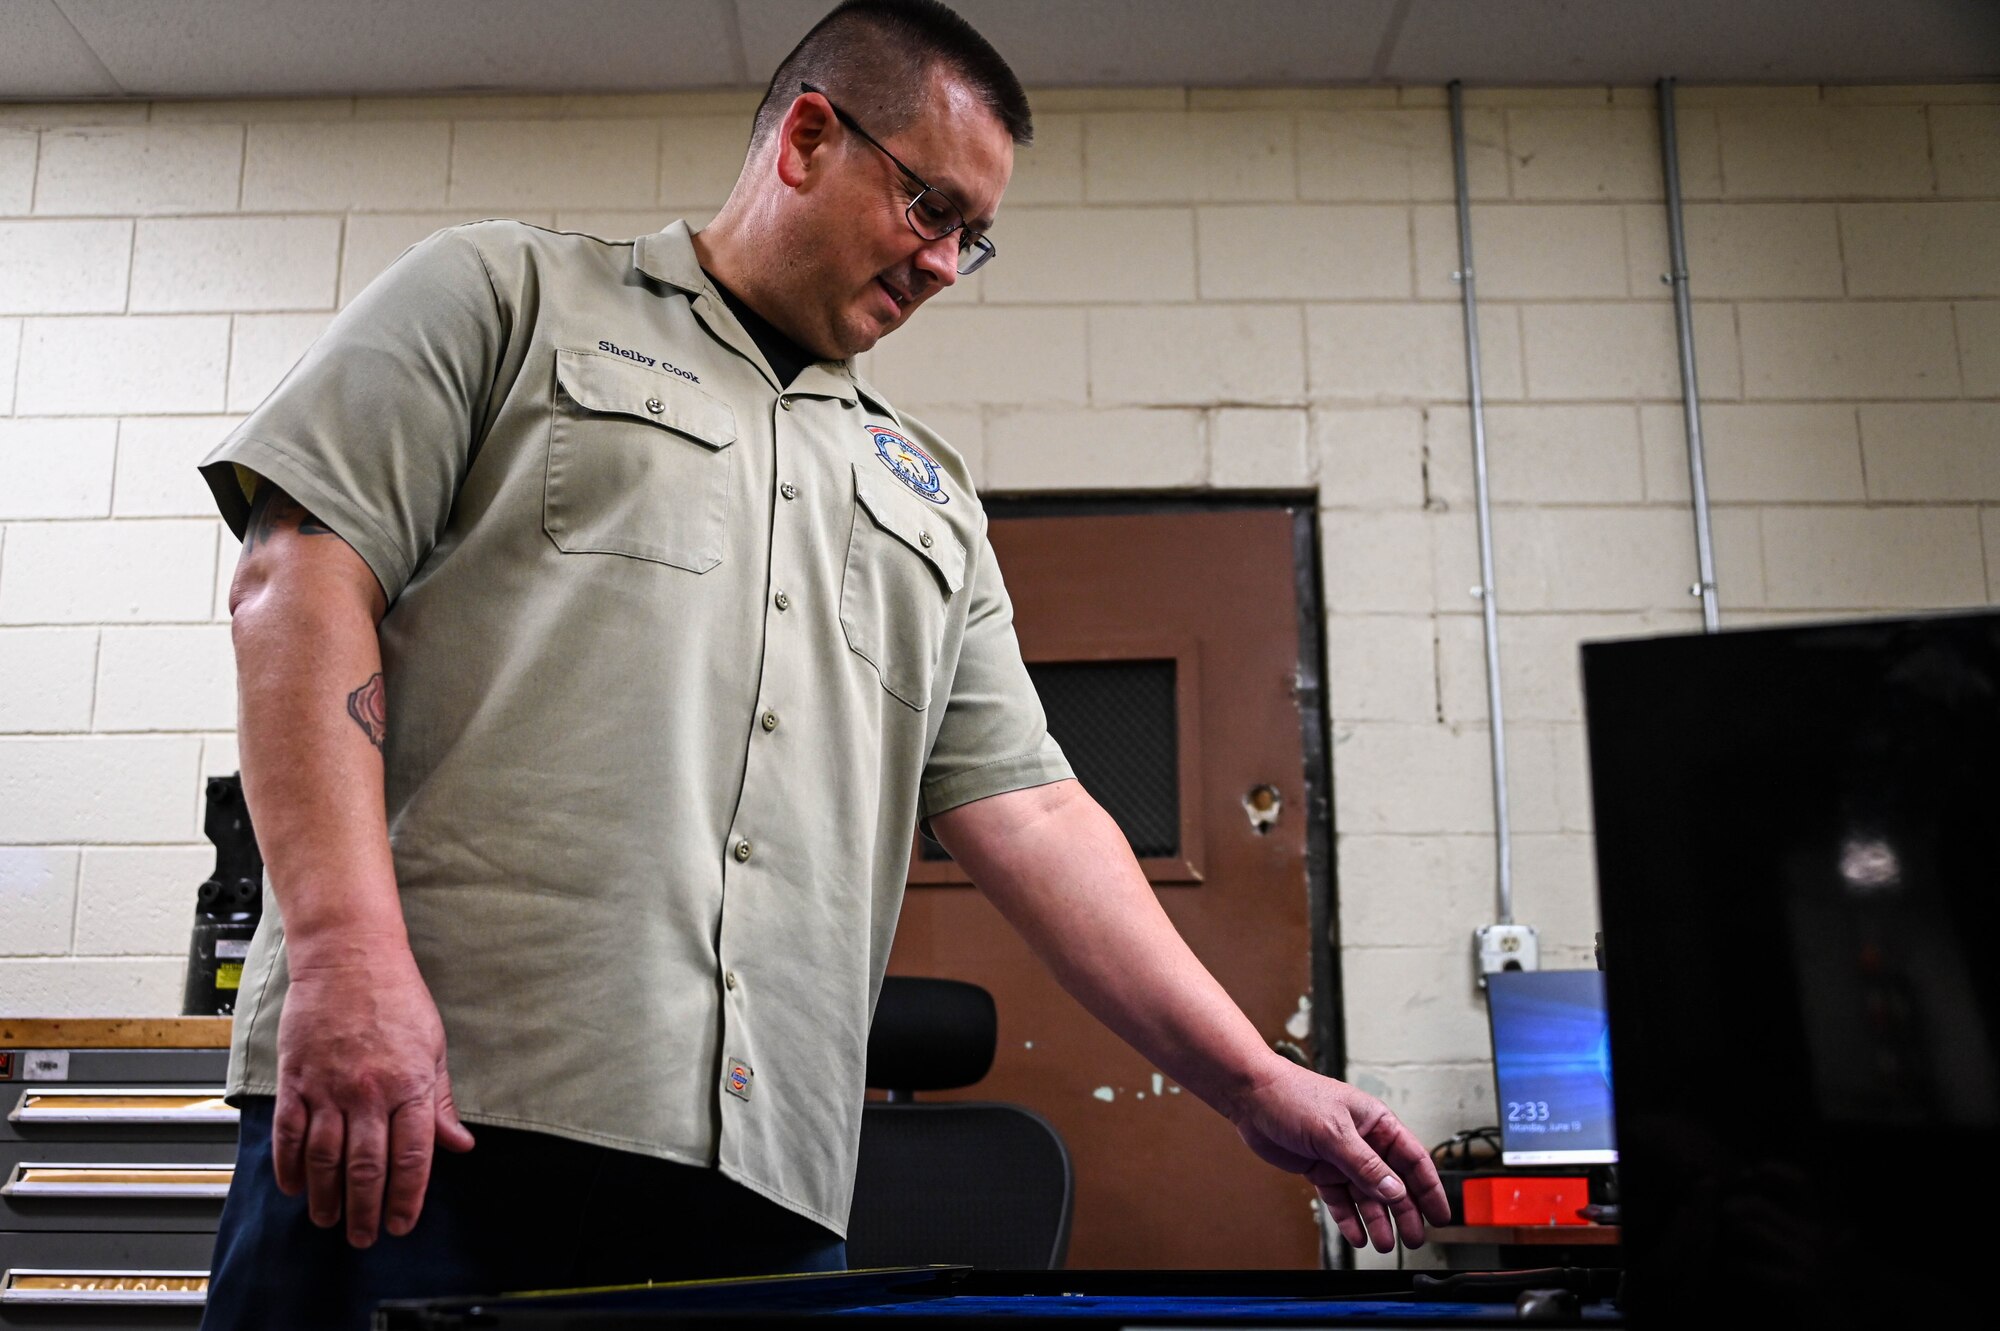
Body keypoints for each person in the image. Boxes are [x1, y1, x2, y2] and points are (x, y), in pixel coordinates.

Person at [196, 1, 1449, 1325]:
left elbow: (1030, 810)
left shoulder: (931, 501)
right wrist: (341, 955)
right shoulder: (507, 298)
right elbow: (296, 581)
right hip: (427, 1121)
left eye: (976, 238)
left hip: (760, 1190)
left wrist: (1253, 1079)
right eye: (929, 209)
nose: (946, 267)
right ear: (808, 137)